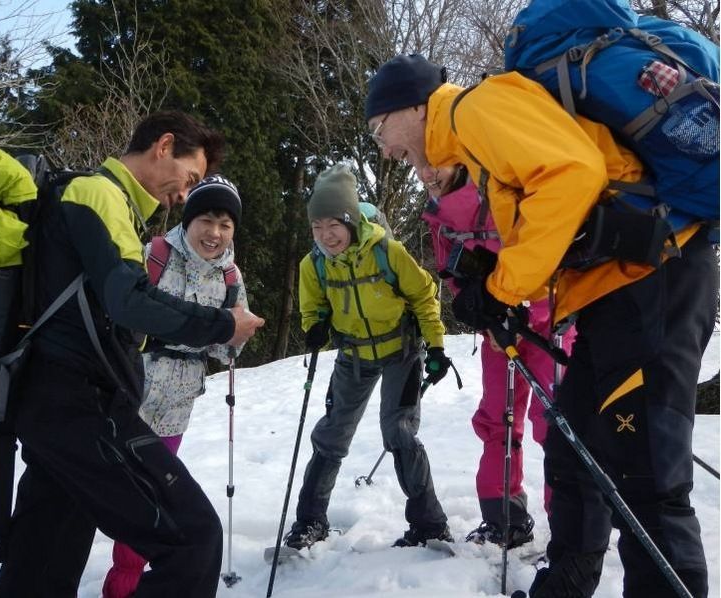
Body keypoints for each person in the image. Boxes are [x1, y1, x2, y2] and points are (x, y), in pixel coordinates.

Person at [365, 55, 716, 597]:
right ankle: (567, 585)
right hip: (610, 292)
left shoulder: (471, 109)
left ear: (412, 104)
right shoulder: (471, 142)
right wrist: (497, 288)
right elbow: (557, 221)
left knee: (646, 476)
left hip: (654, 280)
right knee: (574, 451)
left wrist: (502, 288)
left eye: (379, 128)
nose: (385, 148)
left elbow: (573, 176)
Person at [0, 111, 265, 598]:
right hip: (81, 406)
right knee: (194, 539)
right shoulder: (98, 194)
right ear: (163, 146)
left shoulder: (100, 201)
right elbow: (130, 301)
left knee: (40, 566)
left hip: (55, 408)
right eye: (191, 178)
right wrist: (223, 325)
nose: (184, 194)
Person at [285, 162, 453, 551]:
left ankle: (430, 523)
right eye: (317, 227)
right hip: (353, 356)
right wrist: (316, 325)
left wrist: (437, 346)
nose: (326, 236)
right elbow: (313, 308)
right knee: (331, 435)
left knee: (399, 432)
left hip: (400, 351)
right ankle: (310, 522)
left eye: (334, 225)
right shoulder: (314, 265)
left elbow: (424, 296)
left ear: (350, 221)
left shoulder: (387, 252)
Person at [102, 174, 249, 598]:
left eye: (226, 224)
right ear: (188, 220)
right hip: (127, 396)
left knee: (149, 503)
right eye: (206, 220)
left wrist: (235, 339)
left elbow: (226, 349)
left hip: (176, 407)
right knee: (97, 495)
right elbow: (121, 315)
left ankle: (123, 588)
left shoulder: (230, 278)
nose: (215, 233)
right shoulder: (154, 256)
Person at [420, 168, 575, 549]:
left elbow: (555, 243)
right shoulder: (439, 209)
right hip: (496, 329)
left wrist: (529, 308)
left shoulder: (508, 171)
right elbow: (451, 267)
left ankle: (573, 535)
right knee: (497, 418)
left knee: (556, 422)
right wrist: (478, 308)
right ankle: (503, 518)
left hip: (548, 324)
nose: (426, 172)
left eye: (433, 163)